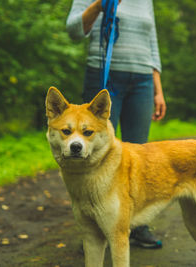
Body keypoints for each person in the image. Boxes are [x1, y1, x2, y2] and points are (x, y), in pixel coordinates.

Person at [66, 0, 166, 249]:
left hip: (142, 79)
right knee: (97, 152)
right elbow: (74, 31)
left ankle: (136, 225)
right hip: (104, 74)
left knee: (139, 154)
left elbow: (151, 43)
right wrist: (100, 5)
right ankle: (94, 227)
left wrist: (158, 90)